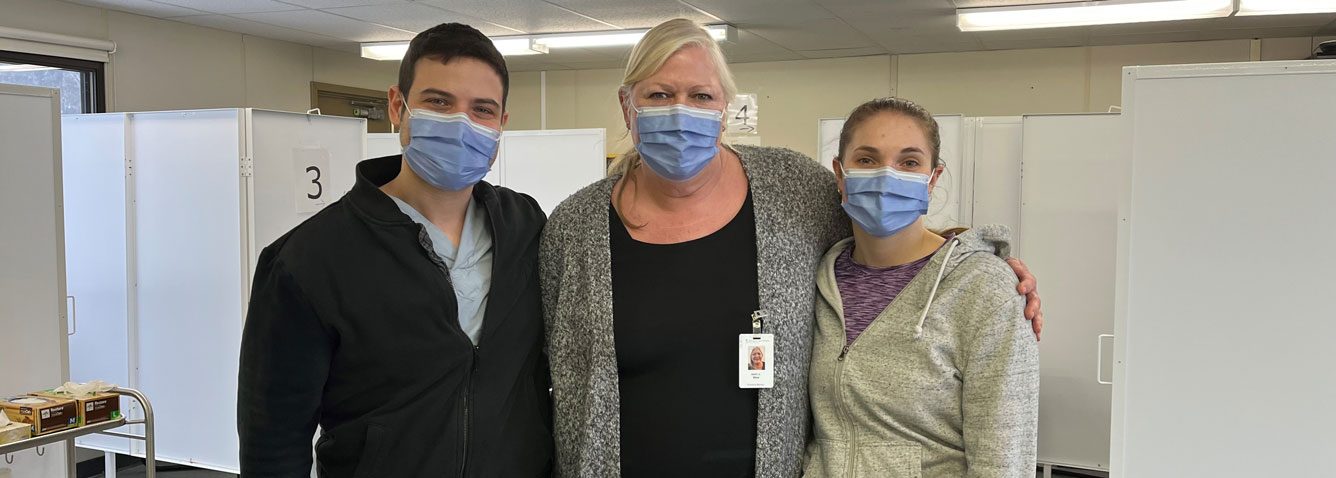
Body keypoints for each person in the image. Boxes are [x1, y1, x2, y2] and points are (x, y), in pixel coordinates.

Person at [539, 19, 1043, 477]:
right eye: (658, 94)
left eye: (700, 95)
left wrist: (979, 262)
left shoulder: (794, 189)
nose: (679, 111)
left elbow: (888, 228)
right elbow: (548, 373)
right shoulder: (576, 228)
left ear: (724, 109)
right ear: (628, 105)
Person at [237, 23, 552, 477]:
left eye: (481, 110)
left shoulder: (527, 228)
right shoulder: (307, 260)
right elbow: (273, 445)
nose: (460, 123)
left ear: (501, 124)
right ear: (396, 106)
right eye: (438, 102)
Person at [803, 97, 1039, 478]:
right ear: (840, 173)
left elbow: (1004, 460)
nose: (886, 176)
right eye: (866, 159)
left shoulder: (984, 289)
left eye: (908, 162)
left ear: (932, 179)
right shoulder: (817, 278)